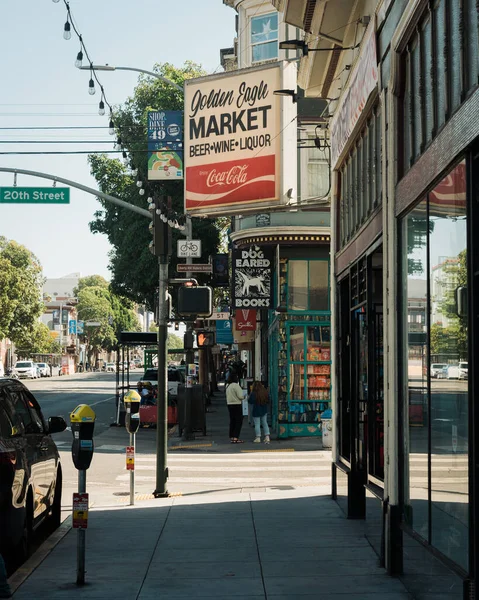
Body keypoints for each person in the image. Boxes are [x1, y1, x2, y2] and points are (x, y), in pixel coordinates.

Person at [225, 372, 245, 443]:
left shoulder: (228, 386)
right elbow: (240, 396)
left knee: (232, 420)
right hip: (237, 404)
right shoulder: (236, 386)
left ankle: (232, 436)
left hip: (229, 404)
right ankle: (236, 437)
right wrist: (244, 397)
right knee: (238, 421)